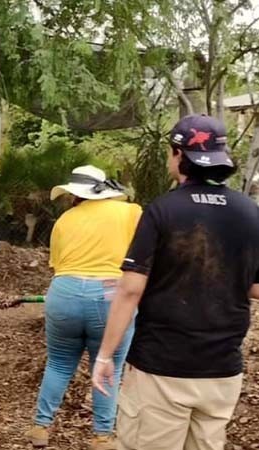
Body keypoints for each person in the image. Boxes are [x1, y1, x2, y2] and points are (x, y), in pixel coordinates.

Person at [92, 115, 259, 450]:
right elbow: (254, 287)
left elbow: (130, 290)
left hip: (162, 368)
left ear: (178, 155)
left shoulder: (162, 210)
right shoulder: (249, 211)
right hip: (222, 371)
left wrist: (104, 356)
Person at [24, 165, 141, 450]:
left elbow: (58, 265)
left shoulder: (64, 220)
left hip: (64, 292)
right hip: (109, 295)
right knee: (109, 366)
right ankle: (101, 436)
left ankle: (41, 427)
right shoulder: (130, 212)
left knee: (59, 363)